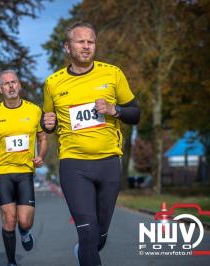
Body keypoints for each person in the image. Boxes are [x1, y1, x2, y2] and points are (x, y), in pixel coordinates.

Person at [42, 21, 140, 266]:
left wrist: (114, 109)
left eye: (91, 41)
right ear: (67, 47)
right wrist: (48, 124)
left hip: (108, 162)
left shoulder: (112, 73)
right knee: (86, 233)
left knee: (99, 236)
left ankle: (86, 251)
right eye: (80, 41)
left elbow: (135, 114)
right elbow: (48, 124)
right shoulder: (53, 83)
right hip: (74, 165)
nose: (86, 46)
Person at [0, 70, 47, 266]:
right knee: (9, 219)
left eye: (13, 82)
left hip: (25, 171)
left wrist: (40, 156)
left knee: (24, 221)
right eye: (6, 83)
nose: (10, 86)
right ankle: (11, 262)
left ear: (19, 85)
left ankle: (25, 232)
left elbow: (43, 138)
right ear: (0, 89)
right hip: (2, 171)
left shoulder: (34, 110)